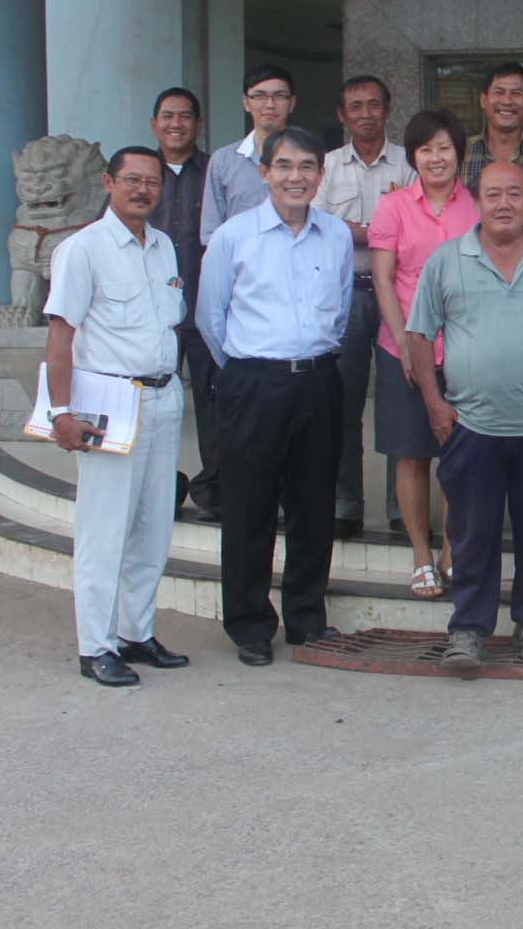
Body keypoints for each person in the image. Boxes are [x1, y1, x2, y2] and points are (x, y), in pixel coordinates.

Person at [406, 163, 523, 672]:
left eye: (514, 194)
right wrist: (435, 403)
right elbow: (419, 334)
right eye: (493, 194)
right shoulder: (446, 260)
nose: (504, 204)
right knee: (471, 535)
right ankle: (467, 630)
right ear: (476, 201)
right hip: (471, 426)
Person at [196, 127, 354, 666]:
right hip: (253, 382)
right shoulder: (233, 236)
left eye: (307, 166)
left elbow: (340, 310)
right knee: (249, 507)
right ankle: (249, 625)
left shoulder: (335, 235)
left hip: (318, 379)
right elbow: (211, 317)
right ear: (264, 173)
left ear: (321, 175)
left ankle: (307, 618)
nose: (295, 177)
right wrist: (248, 372)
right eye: (284, 166)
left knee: (313, 505)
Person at [44, 145, 189, 686]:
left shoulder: (164, 247)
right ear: (108, 183)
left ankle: (135, 632)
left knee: (153, 527)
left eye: (152, 181)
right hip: (110, 401)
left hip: (163, 396)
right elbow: (61, 335)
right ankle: (96, 646)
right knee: (105, 530)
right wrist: (62, 412)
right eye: (131, 179)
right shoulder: (82, 250)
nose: (142, 189)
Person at [368, 108, 478, 600]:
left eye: (444, 148)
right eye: (425, 149)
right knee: (411, 455)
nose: (436, 158)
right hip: (402, 348)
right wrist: (405, 345)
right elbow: (384, 279)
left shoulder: (474, 206)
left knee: (460, 456)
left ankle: (453, 551)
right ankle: (420, 556)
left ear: (459, 154)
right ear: (413, 156)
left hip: (463, 350)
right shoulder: (392, 207)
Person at [319, 75, 415, 538]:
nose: (365, 113)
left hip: (398, 293)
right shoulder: (327, 166)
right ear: (342, 114)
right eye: (355, 106)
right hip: (347, 293)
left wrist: (357, 229)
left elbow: (415, 225)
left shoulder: (409, 163)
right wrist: (381, 229)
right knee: (344, 402)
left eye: (373, 104)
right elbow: (320, 227)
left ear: (387, 109)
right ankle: (345, 503)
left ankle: (401, 507)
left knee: (401, 399)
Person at [145, 86, 217, 521]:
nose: (176, 124)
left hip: (206, 307)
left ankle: (216, 489)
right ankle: (160, 487)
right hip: (152, 316)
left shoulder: (215, 171)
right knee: (155, 404)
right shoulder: (138, 173)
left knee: (215, 403)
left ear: (199, 124)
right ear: (154, 124)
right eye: (168, 116)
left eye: (185, 116)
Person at [201, 65, 294, 243]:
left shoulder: (308, 159)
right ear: (246, 103)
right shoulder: (223, 160)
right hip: (239, 259)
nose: (270, 104)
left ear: (292, 103)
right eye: (259, 96)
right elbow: (211, 232)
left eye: (279, 96)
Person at [461, 61, 523, 191]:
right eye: (499, 92)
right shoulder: (462, 152)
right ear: (483, 100)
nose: (507, 101)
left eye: (516, 93)